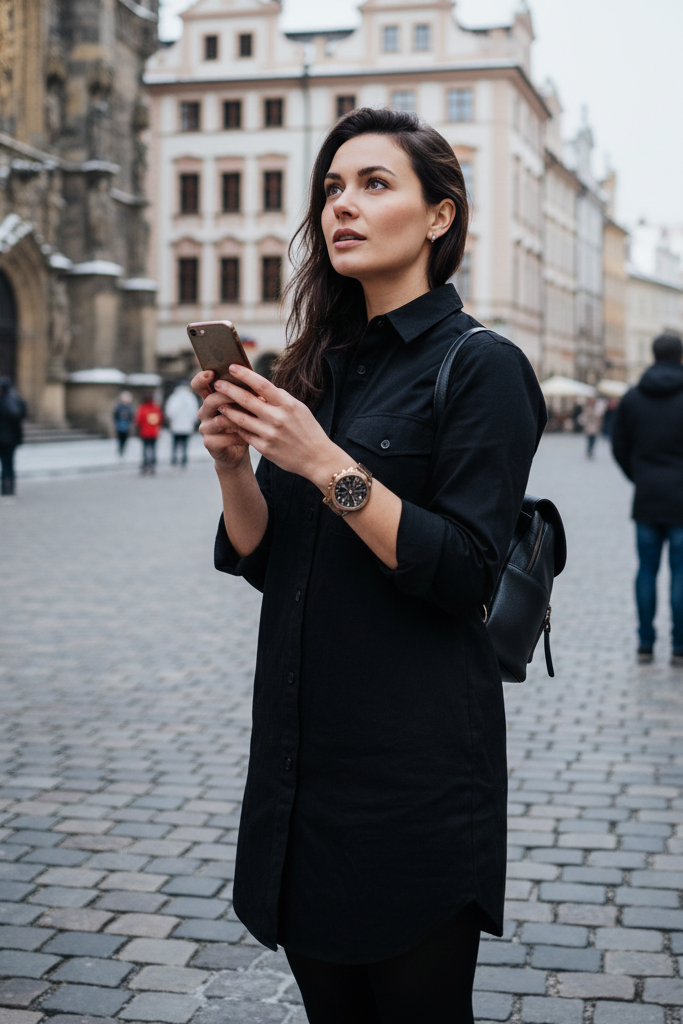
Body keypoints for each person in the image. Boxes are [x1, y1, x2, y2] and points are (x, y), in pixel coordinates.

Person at [192, 108, 546, 1023]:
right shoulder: (317, 367)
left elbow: (466, 571)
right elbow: (268, 557)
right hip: (301, 772)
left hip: (413, 782)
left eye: (374, 184)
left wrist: (327, 464)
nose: (341, 206)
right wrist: (236, 462)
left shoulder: (481, 368)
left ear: (439, 217)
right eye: (332, 188)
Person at [613, 332, 683, 666]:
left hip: (647, 496)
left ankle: (645, 642)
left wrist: (638, 475)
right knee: (681, 573)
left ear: (653, 356)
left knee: (646, 571)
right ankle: (680, 646)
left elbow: (618, 446)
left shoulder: (633, 397)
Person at [0, 376, 27, 498]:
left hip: (5, 440)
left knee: (6, 464)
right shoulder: (16, 401)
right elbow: (20, 419)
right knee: (9, 464)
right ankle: (9, 487)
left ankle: (5, 487)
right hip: (10, 440)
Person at [164, 382, 199, 467]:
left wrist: (171, 420)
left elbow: (170, 411)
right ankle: (184, 459)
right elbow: (195, 411)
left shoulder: (174, 397)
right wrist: (193, 421)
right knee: (185, 444)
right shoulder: (190, 397)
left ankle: (174, 459)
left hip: (176, 426)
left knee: (175, 444)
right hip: (187, 426)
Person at [135, 392, 163, 475]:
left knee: (145, 449)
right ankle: (152, 464)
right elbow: (160, 419)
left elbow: (138, 420)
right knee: (153, 449)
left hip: (145, 432)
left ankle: (145, 464)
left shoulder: (142, 408)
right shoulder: (156, 408)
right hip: (154, 432)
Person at [113, 391, 135, 457]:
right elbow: (115, 416)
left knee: (125, 439)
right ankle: (120, 450)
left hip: (126, 426)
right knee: (120, 439)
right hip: (119, 426)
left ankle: (123, 450)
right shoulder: (119, 407)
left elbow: (132, 416)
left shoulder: (129, 408)